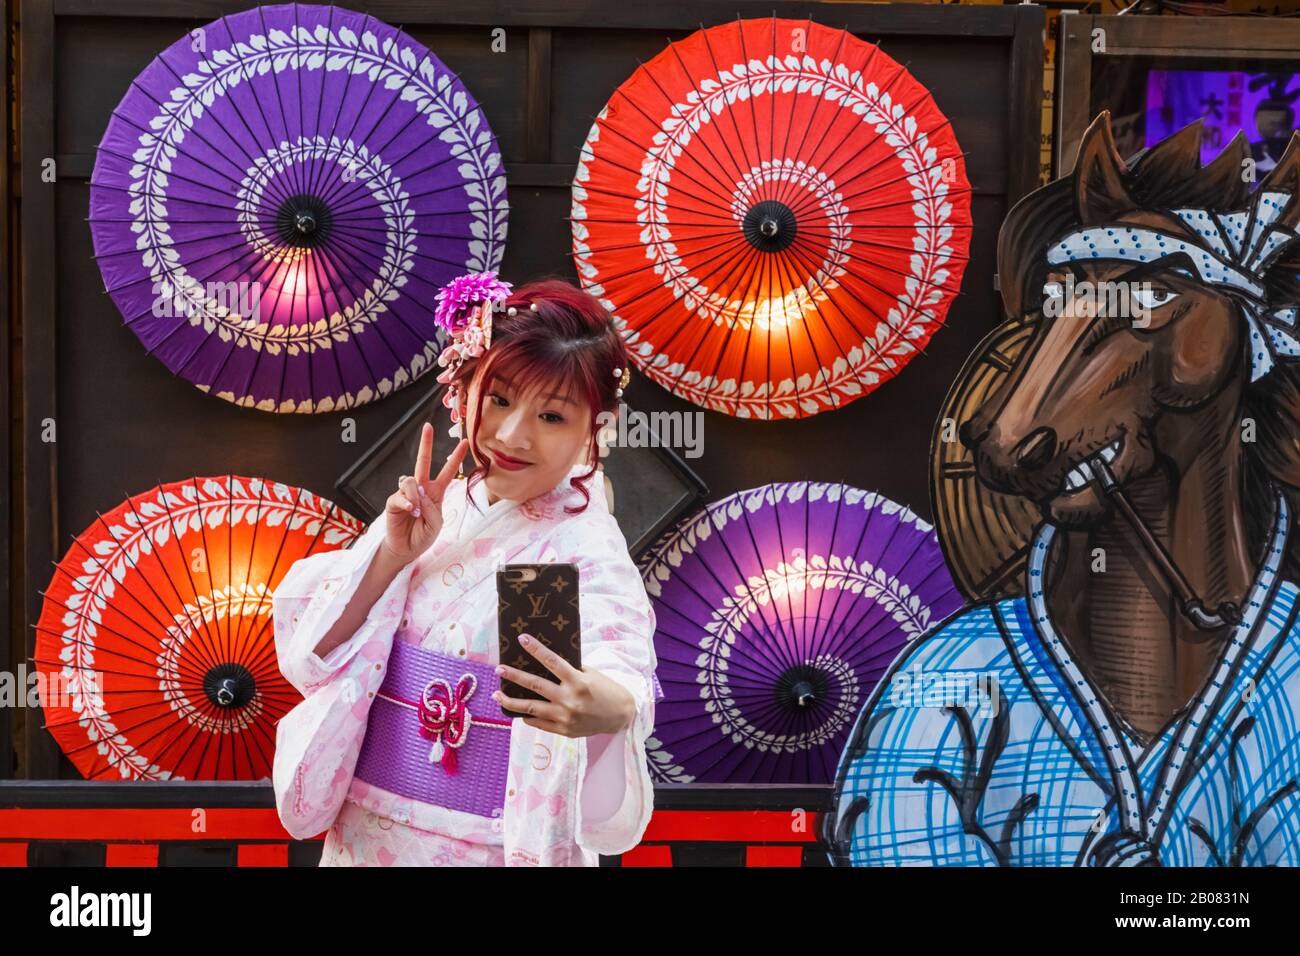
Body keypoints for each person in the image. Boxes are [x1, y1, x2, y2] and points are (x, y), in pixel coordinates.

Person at [271, 274, 664, 866]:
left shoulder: (583, 545)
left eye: (552, 417)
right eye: (499, 398)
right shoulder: (439, 509)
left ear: (594, 428)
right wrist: (392, 557)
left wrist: (613, 705)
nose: (511, 434)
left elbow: (617, 657)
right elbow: (314, 656)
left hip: (490, 844)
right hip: (368, 831)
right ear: (463, 389)